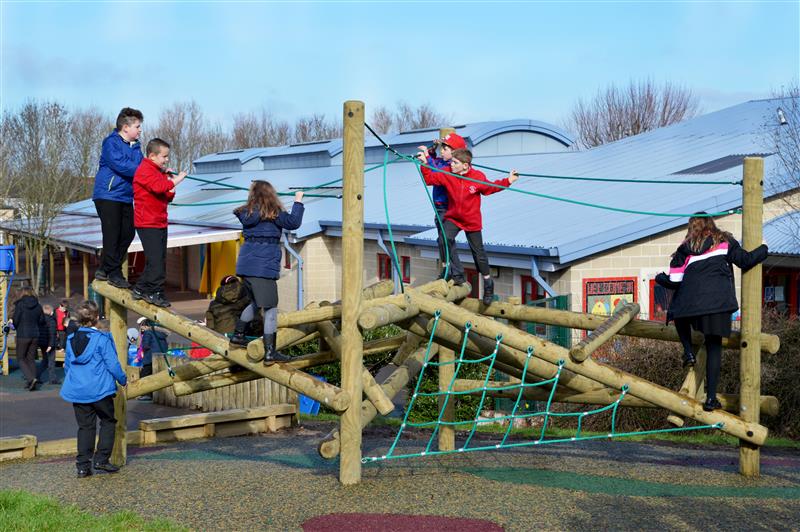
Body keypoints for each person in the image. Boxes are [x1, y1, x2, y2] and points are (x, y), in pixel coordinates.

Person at [655, 214, 767, 412]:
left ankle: (688, 351)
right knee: (714, 347)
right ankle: (711, 399)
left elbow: (674, 281)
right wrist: (764, 248)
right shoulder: (724, 241)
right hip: (717, 303)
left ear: (691, 228)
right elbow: (746, 261)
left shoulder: (684, 249)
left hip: (689, 304)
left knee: (680, 313)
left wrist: (660, 278)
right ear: (711, 224)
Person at [417, 148, 518, 305]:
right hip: (454, 217)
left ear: (465, 165)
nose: (451, 165)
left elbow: (491, 187)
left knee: (478, 253)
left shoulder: (477, 177)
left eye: (455, 163)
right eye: (451, 162)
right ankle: (454, 272)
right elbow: (430, 179)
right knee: (444, 239)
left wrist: (508, 181)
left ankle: (488, 283)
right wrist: (424, 164)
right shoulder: (448, 173)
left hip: (471, 220)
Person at [229, 181, 305, 364]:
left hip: (246, 267)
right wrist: (298, 201)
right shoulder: (274, 213)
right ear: (271, 194)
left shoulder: (247, 213)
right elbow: (294, 223)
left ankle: (238, 335)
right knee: (270, 309)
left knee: (255, 302)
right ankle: (270, 353)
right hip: (263, 268)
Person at [60, 300, 127, 477]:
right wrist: (123, 379)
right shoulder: (101, 339)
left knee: (85, 427)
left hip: (78, 390)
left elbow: (67, 365)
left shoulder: (70, 339)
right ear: (96, 318)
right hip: (99, 389)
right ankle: (101, 460)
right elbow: (112, 364)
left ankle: (82, 466)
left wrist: (75, 380)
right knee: (107, 421)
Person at [131, 138, 187, 307]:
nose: (167, 160)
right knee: (155, 262)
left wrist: (169, 181)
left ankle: (140, 288)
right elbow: (159, 188)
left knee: (158, 259)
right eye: (164, 156)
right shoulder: (145, 170)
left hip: (159, 221)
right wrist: (176, 179)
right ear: (152, 156)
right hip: (148, 222)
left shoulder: (157, 171)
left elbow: (166, 194)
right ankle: (155, 292)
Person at [93, 107, 144, 289]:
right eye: (137, 127)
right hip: (108, 194)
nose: (139, 130)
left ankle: (104, 268)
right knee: (112, 234)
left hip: (125, 196)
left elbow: (142, 167)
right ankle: (114, 273)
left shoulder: (137, 149)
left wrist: (158, 171)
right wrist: (143, 170)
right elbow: (121, 165)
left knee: (128, 232)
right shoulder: (111, 143)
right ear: (125, 127)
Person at [417, 132, 467, 279]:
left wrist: (426, 158)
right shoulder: (443, 162)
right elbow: (436, 162)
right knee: (442, 241)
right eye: (442, 148)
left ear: (455, 153)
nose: (442, 151)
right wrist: (431, 151)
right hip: (439, 208)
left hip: (447, 208)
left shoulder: (452, 168)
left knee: (445, 241)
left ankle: (455, 272)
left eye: (445, 149)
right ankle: (448, 271)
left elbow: (435, 172)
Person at [10, 287, 44, 391]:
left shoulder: (20, 305)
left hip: (23, 335)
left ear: (22, 294)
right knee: (31, 359)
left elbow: (16, 320)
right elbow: (41, 320)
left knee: (20, 358)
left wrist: (11, 323)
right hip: (35, 334)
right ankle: (32, 381)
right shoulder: (38, 305)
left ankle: (31, 378)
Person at [138, 318, 168, 401]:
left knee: (144, 375)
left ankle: (147, 394)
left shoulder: (148, 332)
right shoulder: (162, 333)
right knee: (157, 375)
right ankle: (156, 394)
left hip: (150, 358)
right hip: (161, 357)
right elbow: (165, 346)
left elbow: (145, 345)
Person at [36, 304, 59, 385]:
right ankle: (52, 379)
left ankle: (37, 376)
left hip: (42, 343)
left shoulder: (39, 320)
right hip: (50, 343)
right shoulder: (51, 320)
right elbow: (52, 334)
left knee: (45, 360)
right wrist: (51, 345)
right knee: (51, 361)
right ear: (51, 312)